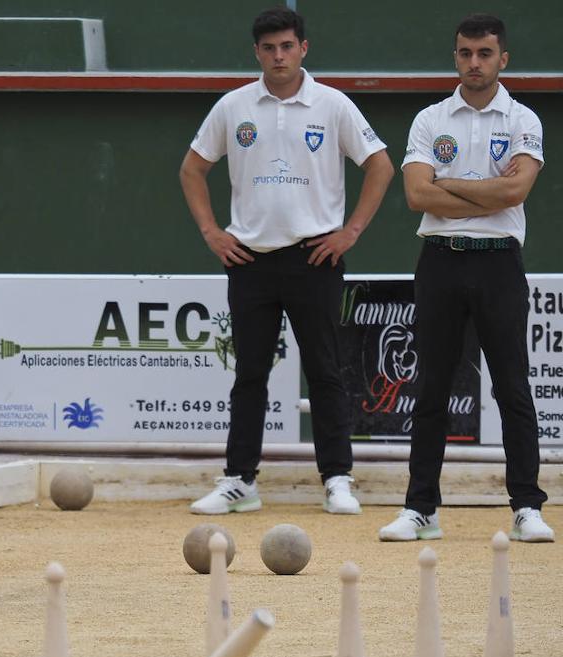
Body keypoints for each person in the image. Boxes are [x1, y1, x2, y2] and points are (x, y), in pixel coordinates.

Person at [179, 7, 394, 515]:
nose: (279, 56)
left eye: (287, 46)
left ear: (304, 48)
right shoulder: (233, 107)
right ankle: (239, 481)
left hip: (315, 256)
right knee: (250, 374)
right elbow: (192, 169)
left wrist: (351, 232)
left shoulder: (333, 105)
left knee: (325, 371)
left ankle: (337, 479)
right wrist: (212, 232)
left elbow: (381, 166)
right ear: (257, 52)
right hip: (249, 259)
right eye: (269, 48)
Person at [380, 14, 552, 543]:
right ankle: (421, 510)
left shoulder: (523, 120)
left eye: (484, 53)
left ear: (504, 59)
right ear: (455, 57)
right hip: (440, 259)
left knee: (512, 387)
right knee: (430, 387)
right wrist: (480, 189)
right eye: (464, 53)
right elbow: (416, 195)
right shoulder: (431, 119)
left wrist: (448, 183)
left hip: (499, 261)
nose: (473, 63)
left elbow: (513, 194)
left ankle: (526, 506)